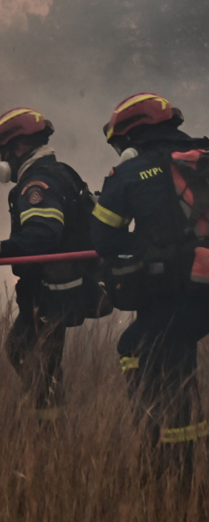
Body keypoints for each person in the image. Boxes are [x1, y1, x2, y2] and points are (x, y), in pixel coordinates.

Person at [92, 93, 209, 465]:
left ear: (132, 137)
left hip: (175, 292)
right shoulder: (204, 157)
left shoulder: (131, 172)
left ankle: (172, 466)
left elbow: (103, 239)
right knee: (176, 356)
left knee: (136, 347)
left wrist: (146, 245)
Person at [0, 108, 101, 421]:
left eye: (1, 152)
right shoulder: (61, 172)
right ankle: (49, 415)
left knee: (29, 353)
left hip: (49, 290)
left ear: (19, 147)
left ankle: (48, 424)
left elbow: (44, 234)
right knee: (35, 355)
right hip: (65, 285)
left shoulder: (36, 184)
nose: (1, 160)